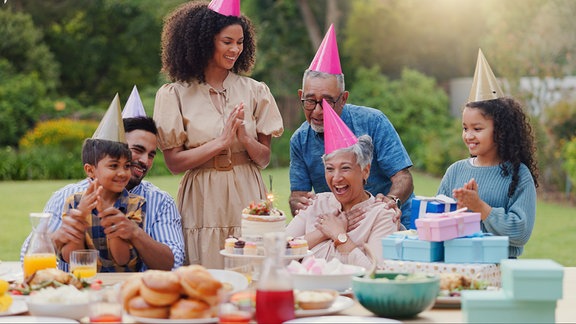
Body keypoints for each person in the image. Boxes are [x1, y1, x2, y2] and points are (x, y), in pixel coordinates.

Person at [153, 0, 283, 268]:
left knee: (251, 265)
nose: (235, 49)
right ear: (205, 41)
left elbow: (264, 158)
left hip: (247, 189)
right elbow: (174, 163)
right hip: (203, 195)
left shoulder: (255, 91)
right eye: (227, 42)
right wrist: (221, 142)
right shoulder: (174, 94)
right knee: (206, 267)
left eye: (240, 42)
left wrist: (246, 139)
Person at [20, 105, 185, 272]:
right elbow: (26, 257)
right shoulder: (67, 197)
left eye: (151, 155)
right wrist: (58, 238)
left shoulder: (159, 202)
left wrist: (135, 233)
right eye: (137, 150)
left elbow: (175, 262)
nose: (145, 161)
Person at [289, 25, 414, 229]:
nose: (318, 111)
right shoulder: (299, 140)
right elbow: (298, 195)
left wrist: (392, 200)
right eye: (310, 101)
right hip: (341, 225)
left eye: (328, 102)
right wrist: (297, 203)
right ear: (300, 96)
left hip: (389, 221)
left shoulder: (373, 121)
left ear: (344, 99)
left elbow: (403, 177)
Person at [437, 49, 539, 258]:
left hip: (501, 269)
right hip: (458, 265)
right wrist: (459, 210)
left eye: (477, 128)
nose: (469, 135)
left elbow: (520, 232)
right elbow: (436, 223)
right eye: (465, 128)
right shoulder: (455, 171)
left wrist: (480, 207)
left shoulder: (518, 174)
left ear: (501, 130)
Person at [286, 101, 402, 269]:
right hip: (306, 293)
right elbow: (276, 253)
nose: (337, 177)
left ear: (365, 171)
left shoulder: (382, 215)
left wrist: (340, 236)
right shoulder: (316, 203)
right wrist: (321, 233)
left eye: (345, 168)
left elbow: (375, 272)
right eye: (330, 169)